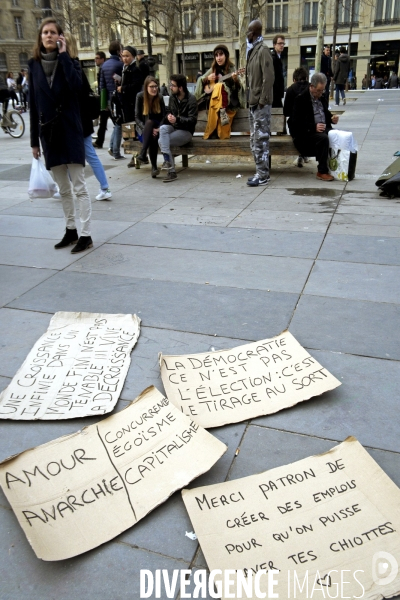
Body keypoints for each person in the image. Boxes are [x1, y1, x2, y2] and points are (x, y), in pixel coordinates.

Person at [29, 17, 93, 253]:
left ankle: (86, 235)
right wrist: (34, 141)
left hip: (70, 130)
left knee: (79, 186)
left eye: (52, 32)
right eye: (44, 32)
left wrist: (65, 56)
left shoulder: (72, 62)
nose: (48, 36)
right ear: (40, 37)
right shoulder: (33, 65)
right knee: (63, 188)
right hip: (49, 134)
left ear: (60, 37)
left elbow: (78, 88)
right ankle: (70, 230)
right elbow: (33, 104)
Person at [64, 32, 112, 201]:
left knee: (80, 155)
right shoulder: (75, 65)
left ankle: (103, 187)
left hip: (78, 120)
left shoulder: (72, 66)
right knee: (82, 155)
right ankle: (104, 187)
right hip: (80, 119)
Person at [290, 72, 339, 182]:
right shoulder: (301, 99)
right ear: (311, 87)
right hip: (305, 133)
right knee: (323, 138)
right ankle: (322, 171)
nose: (321, 93)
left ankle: (336, 167)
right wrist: (313, 127)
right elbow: (296, 123)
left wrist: (332, 118)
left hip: (321, 129)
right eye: (318, 91)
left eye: (323, 90)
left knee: (337, 135)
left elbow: (325, 113)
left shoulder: (321, 97)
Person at [245, 19, 274, 187]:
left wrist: (262, 101)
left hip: (260, 103)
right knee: (255, 140)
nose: (247, 35)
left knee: (261, 139)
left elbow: (268, 77)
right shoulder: (253, 50)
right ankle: (260, 172)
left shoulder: (262, 50)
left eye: (248, 32)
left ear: (253, 33)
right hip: (253, 102)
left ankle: (263, 174)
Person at [194, 43, 245, 139]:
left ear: (226, 55)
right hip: (215, 102)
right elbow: (201, 80)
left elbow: (236, 90)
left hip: (228, 104)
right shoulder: (213, 69)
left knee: (222, 135)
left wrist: (235, 80)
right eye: (216, 55)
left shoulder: (232, 69)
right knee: (218, 85)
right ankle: (221, 112)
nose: (218, 58)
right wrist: (207, 79)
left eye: (221, 54)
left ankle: (216, 121)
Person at [158, 74, 198, 183]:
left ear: (180, 88)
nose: (170, 87)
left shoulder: (191, 99)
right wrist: (169, 117)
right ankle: (168, 163)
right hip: (174, 128)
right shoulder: (172, 98)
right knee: (163, 129)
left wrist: (178, 119)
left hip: (186, 131)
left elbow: (192, 120)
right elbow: (168, 112)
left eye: (173, 85)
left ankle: (171, 171)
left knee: (162, 141)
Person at [116, 45, 145, 168]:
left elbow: (136, 86)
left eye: (127, 56)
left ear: (133, 56)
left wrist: (123, 88)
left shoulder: (135, 69)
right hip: (126, 105)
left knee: (134, 131)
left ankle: (137, 156)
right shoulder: (125, 68)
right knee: (130, 131)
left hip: (133, 105)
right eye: (123, 56)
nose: (125, 58)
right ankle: (137, 156)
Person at [134, 76, 166, 178]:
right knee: (149, 124)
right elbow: (137, 117)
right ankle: (153, 167)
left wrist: (158, 128)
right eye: (151, 86)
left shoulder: (160, 97)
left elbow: (164, 117)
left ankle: (143, 154)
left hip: (156, 128)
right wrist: (146, 129)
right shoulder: (140, 97)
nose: (154, 89)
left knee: (153, 132)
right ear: (146, 87)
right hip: (144, 129)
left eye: (156, 86)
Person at [100, 40, 125, 160]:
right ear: (118, 51)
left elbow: (102, 86)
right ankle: (116, 151)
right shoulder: (120, 64)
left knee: (116, 123)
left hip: (109, 99)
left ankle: (112, 147)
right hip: (118, 98)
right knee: (119, 124)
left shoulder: (104, 65)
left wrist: (103, 103)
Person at [284, 67, 309, 168]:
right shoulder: (311, 88)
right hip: (310, 127)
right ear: (306, 78)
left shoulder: (290, 90)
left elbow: (286, 112)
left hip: (295, 128)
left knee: (297, 128)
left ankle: (301, 155)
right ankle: (303, 154)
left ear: (294, 79)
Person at [93, 51, 109, 149]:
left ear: (103, 59)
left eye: (97, 58)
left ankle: (99, 141)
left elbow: (103, 86)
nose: (96, 60)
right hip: (105, 98)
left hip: (106, 99)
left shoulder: (103, 69)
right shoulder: (102, 68)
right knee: (103, 121)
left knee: (104, 121)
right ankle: (99, 140)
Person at [271, 34, 285, 108]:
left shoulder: (278, 57)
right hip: (274, 94)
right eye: (280, 43)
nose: (282, 45)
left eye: (283, 43)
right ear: (274, 45)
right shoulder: (273, 58)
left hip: (277, 94)